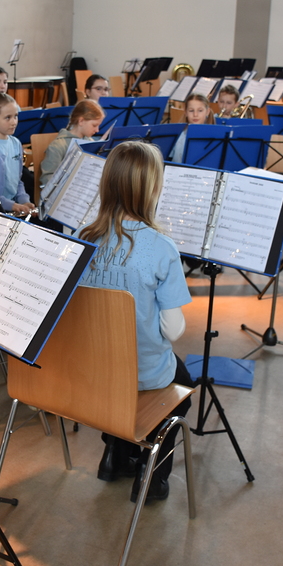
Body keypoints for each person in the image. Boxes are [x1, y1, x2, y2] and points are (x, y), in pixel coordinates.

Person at [78, 141, 193, 503]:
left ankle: (115, 456)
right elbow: (173, 330)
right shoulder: (162, 248)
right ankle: (151, 474)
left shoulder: (85, 237)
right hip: (143, 372)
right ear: (152, 189)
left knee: (122, 375)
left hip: (96, 366)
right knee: (183, 386)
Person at [0, 93, 34, 216]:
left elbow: (18, 181)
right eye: (8, 118)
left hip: (12, 207)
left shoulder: (16, 143)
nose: (13, 122)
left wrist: (24, 201)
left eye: (15, 116)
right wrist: (13, 205)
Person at [39, 99, 104, 189]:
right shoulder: (58, 146)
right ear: (81, 121)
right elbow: (47, 178)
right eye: (94, 125)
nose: (97, 130)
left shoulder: (90, 141)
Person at [169, 93, 215, 163]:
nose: (195, 114)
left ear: (207, 112)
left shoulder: (214, 136)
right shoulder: (178, 134)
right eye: (191, 110)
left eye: (200, 110)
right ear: (186, 112)